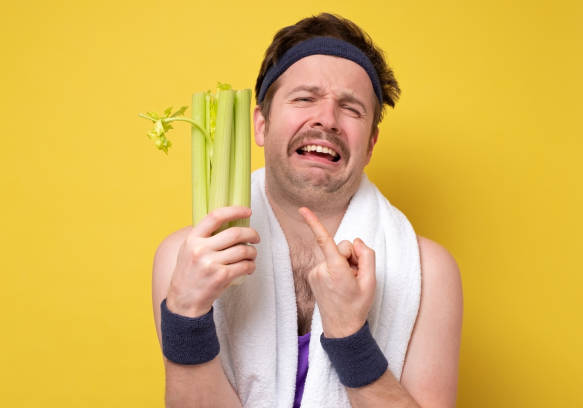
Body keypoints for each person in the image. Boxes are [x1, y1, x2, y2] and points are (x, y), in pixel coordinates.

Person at [152, 13, 462, 408]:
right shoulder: (187, 261)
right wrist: (186, 315)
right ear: (261, 125)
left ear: (370, 145)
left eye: (351, 109)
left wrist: (350, 335)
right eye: (304, 98)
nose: (326, 120)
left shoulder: (429, 272)